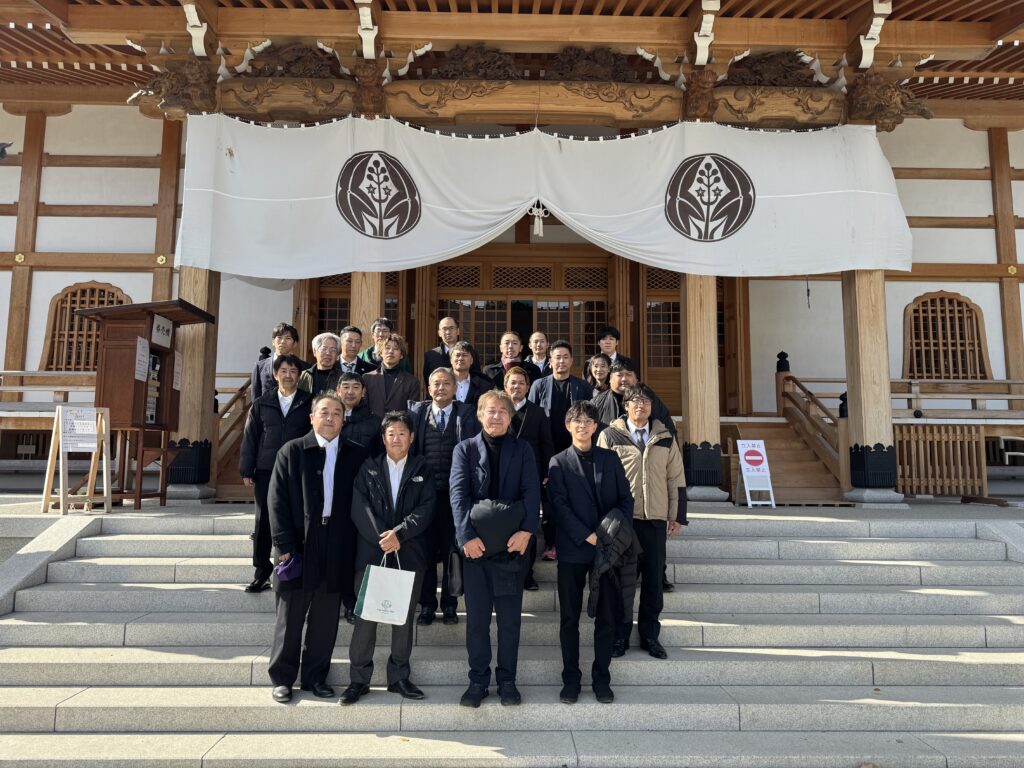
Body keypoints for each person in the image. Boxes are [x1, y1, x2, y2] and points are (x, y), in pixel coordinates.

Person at [267, 391, 368, 703]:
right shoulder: (292, 451)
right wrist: (284, 545)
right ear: (312, 417)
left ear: (344, 420)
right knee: (290, 616)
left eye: (337, 413)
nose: (330, 418)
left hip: (336, 543)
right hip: (298, 545)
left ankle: (315, 677)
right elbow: (276, 501)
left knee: (325, 619)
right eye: (324, 412)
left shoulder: (355, 454)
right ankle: (283, 678)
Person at [450, 390, 540, 707]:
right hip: (476, 550)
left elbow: (532, 492)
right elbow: (458, 496)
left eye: (503, 411)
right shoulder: (465, 449)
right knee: (476, 621)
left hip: (511, 550)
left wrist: (527, 532)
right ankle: (477, 680)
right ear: (480, 414)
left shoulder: (523, 449)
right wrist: (465, 537)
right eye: (491, 410)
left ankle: (507, 680)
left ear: (511, 416)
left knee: (509, 621)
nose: (497, 416)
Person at [341, 411, 436, 705]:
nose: (396, 439)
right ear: (383, 438)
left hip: (409, 554)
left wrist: (400, 534)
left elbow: (426, 508)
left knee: (403, 619)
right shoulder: (368, 468)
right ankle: (359, 679)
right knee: (366, 619)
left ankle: (399, 677)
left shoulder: (423, 468)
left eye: (402, 433)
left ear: (412, 437)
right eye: (391, 434)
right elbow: (359, 507)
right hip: (373, 553)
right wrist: (382, 537)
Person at [547, 400, 633, 704]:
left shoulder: (610, 459)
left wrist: (609, 534)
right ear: (567, 426)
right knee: (569, 619)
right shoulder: (558, 462)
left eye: (588, 421)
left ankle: (601, 679)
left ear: (596, 426)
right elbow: (558, 506)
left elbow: (626, 500)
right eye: (577, 421)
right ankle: (570, 679)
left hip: (607, 551)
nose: (582, 426)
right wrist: (587, 535)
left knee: (606, 618)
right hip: (573, 549)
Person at [597, 386, 686, 659]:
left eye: (646, 401)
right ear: (625, 406)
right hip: (623, 520)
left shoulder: (665, 437)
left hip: (654, 519)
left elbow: (676, 478)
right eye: (635, 401)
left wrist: (677, 515)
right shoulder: (610, 435)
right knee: (622, 582)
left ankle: (650, 635)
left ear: (652, 406)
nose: (640, 405)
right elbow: (600, 478)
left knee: (653, 581)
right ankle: (619, 636)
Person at [409, 367, 481, 625]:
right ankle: (427, 604)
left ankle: (450, 605)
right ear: (428, 389)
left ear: (455, 388)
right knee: (425, 551)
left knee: (453, 550)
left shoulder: (467, 414)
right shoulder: (417, 414)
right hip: (424, 495)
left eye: (446, 384)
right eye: (436, 384)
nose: (441, 388)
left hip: (455, 496)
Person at [239, 354, 312, 594]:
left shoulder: (308, 402)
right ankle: (261, 572)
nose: (288, 375)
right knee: (263, 522)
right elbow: (251, 437)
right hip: (266, 469)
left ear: (299, 375)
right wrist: (247, 468)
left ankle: (294, 569)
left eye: (293, 371)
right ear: (275, 374)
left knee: (295, 518)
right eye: (283, 371)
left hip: (297, 469)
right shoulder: (262, 402)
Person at [528, 340, 593, 561]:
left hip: (575, 452)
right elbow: (532, 419)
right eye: (557, 357)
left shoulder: (582, 386)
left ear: (572, 360)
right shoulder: (539, 385)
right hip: (547, 452)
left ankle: (573, 540)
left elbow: (589, 419)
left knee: (574, 499)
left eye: (566, 357)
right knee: (549, 501)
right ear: (550, 361)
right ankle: (551, 543)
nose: (561, 361)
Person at [504, 366, 554, 592]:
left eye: (521, 383)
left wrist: (546, 472)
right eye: (513, 383)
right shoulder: (499, 409)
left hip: (530, 477)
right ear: (506, 386)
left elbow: (546, 444)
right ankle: (507, 570)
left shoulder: (537, 412)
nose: (517, 387)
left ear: (527, 387)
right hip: (504, 476)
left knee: (529, 525)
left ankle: (527, 574)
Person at [592, 361, 677, 440]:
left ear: (636, 379)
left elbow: (668, 431)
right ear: (610, 379)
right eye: (619, 375)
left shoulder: (651, 399)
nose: (624, 379)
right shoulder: (597, 403)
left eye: (628, 374)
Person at [363, 334, 420, 417]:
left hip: (399, 424)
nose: (391, 351)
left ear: (401, 355)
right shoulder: (367, 378)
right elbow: (363, 407)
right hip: (372, 424)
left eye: (396, 349)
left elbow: (412, 413)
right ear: (380, 353)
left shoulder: (411, 381)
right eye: (387, 348)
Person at [251, 323, 307, 399]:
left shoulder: (305, 367)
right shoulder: (260, 366)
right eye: (279, 337)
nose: (283, 341)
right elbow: (256, 397)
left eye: (288, 338)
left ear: (295, 343)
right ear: (273, 341)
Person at [423, 316, 481, 385]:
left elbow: (477, 379)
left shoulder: (471, 353)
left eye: (451, 328)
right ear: (439, 333)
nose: (448, 332)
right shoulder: (431, 355)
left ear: (458, 331)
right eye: (444, 329)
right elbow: (428, 381)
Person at [337, 372, 383, 457]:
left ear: (363, 392)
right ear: (338, 390)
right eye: (346, 387)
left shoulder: (376, 422)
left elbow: (381, 455)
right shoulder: (330, 419)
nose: (350, 392)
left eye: (355, 387)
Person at [450, 341, 494, 407]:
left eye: (464, 355)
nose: (460, 358)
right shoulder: (441, 382)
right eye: (457, 355)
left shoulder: (483, 385)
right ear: (451, 360)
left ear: (471, 360)